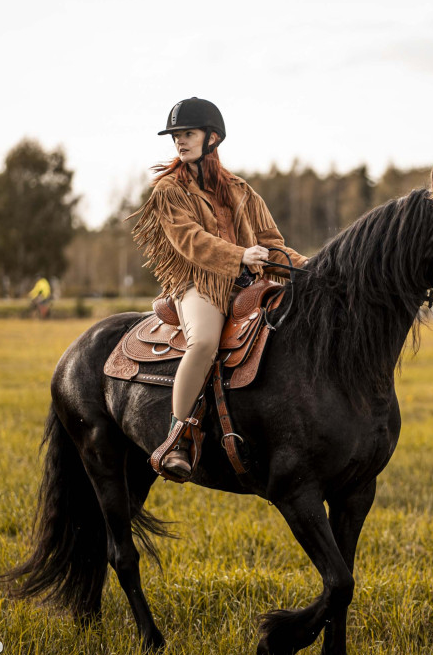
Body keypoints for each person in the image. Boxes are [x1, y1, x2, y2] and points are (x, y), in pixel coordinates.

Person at [131, 97, 307, 478]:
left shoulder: (242, 190)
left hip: (248, 282)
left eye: (187, 134)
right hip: (198, 284)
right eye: (176, 135)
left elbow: (272, 244)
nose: (180, 141)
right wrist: (241, 256)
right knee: (205, 342)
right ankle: (177, 437)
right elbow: (191, 241)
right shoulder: (168, 190)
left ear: (212, 138)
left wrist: (312, 269)